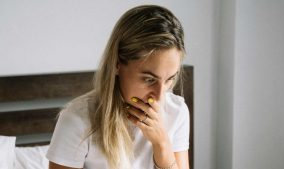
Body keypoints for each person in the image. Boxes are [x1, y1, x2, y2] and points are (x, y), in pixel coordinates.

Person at [46, 4, 190, 169]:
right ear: (116, 64)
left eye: (170, 79)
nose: (159, 96)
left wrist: (162, 143)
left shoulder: (177, 111)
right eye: (149, 79)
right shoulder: (78, 119)